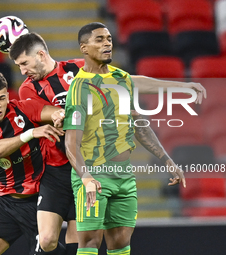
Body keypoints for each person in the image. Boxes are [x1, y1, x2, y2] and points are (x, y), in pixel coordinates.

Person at [8, 32, 203, 255]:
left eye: (24, 63)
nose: (22, 71)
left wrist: (178, 87)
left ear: (41, 55)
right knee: (48, 239)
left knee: (82, 242)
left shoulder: (80, 68)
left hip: (89, 166)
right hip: (56, 171)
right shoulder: (27, 88)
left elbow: (131, 81)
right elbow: (43, 111)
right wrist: (63, 112)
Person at [63, 22, 186, 255]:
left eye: (109, 38)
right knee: (89, 242)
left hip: (124, 175)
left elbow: (139, 125)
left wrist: (166, 158)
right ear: (84, 48)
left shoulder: (122, 79)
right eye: (99, 39)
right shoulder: (80, 88)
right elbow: (71, 143)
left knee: (120, 243)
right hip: (94, 172)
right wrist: (86, 178)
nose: (107, 43)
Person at [0, 71, 65, 255]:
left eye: (2, 98)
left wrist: (59, 115)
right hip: (8, 204)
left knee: (50, 248)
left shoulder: (24, 109)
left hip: (40, 202)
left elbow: (56, 112)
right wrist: (30, 133)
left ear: (8, 96)